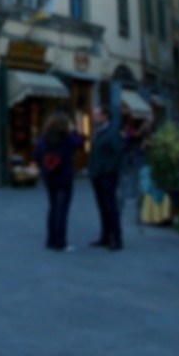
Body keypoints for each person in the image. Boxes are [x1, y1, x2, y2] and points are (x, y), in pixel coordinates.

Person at [34, 111, 82, 252]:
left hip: (50, 177)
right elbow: (79, 143)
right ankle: (60, 242)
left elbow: (37, 156)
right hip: (64, 177)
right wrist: (74, 130)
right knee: (62, 210)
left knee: (53, 208)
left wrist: (44, 168)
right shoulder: (67, 139)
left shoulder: (43, 139)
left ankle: (51, 240)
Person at [88, 104, 125, 251]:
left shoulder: (112, 133)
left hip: (106, 176)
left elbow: (117, 154)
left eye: (96, 115)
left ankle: (116, 238)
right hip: (97, 175)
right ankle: (105, 236)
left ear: (105, 116)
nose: (94, 118)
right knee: (102, 207)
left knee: (110, 207)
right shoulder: (100, 132)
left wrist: (106, 170)